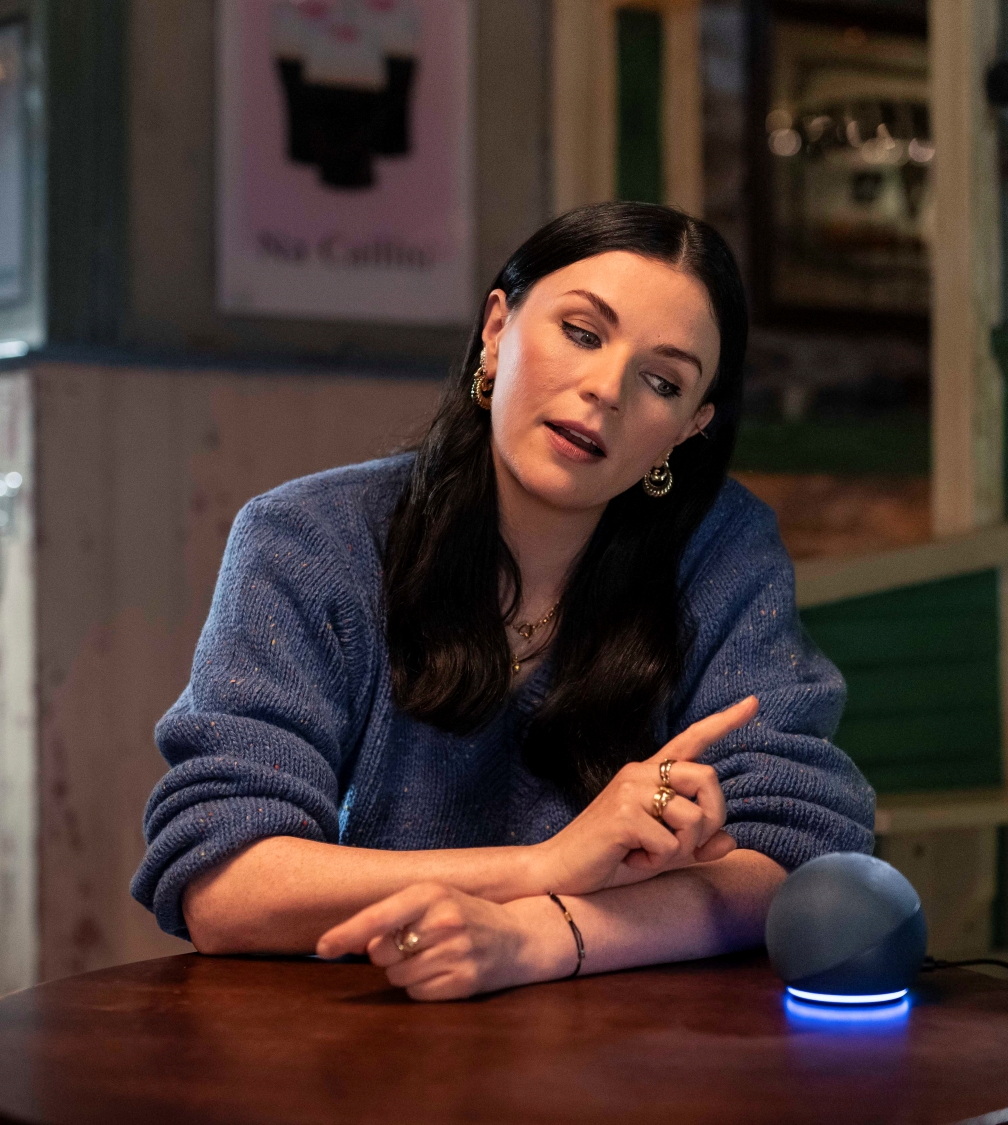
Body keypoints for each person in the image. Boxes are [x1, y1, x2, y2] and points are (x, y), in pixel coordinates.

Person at [131, 202, 874, 1001]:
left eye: (661, 380)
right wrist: (546, 866)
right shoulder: (307, 539)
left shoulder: (721, 548)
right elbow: (223, 882)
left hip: (629, 1061)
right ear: (496, 330)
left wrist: (535, 936)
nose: (605, 389)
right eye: (583, 333)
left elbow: (797, 851)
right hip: (361, 1041)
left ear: (687, 431)